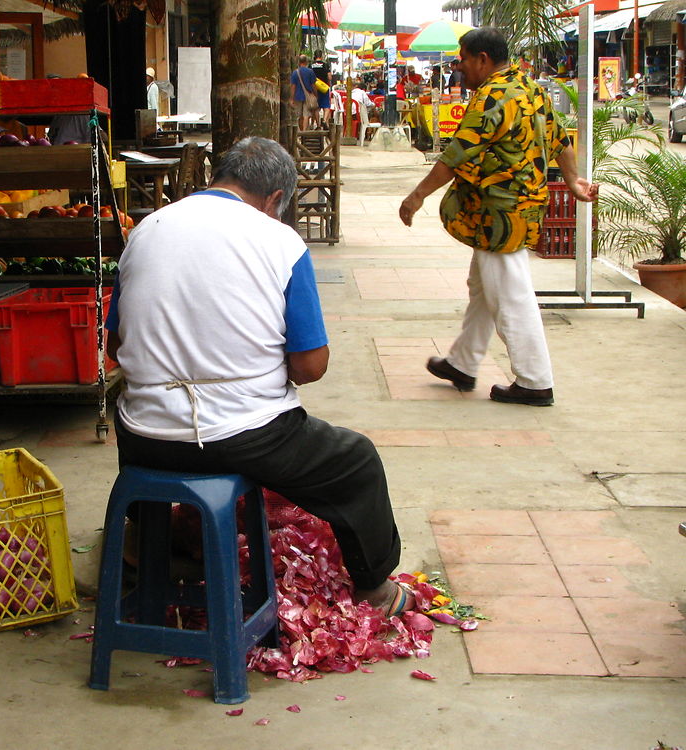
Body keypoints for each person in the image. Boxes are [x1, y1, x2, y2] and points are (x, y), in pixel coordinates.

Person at [105, 136, 414, 617]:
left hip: (145, 436)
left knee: (144, 422)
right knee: (357, 461)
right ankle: (375, 587)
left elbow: (116, 350)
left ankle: (142, 548)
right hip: (243, 436)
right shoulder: (280, 240)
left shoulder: (146, 229)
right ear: (274, 200)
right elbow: (311, 367)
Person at [399, 27, 599, 407]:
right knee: (483, 286)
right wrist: (572, 180)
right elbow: (560, 139)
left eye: (462, 59)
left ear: (482, 60)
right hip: (521, 208)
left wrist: (417, 195)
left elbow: (457, 154)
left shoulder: (492, 96)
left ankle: (534, 380)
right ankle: (462, 362)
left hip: (498, 213)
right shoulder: (531, 88)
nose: (460, 68)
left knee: (510, 293)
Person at [290, 55, 320, 130]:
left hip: (298, 96)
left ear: (299, 62)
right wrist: (316, 95)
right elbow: (313, 85)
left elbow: (293, 87)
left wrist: (291, 98)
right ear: (306, 62)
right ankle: (304, 132)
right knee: (306, 115)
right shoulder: (310, 72)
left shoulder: (295, 73)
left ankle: (300, 133)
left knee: (300, 116)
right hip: (308, 96)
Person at [348, 78, 375, 146]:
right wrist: (373, 104)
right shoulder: (362, 92)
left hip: (349, 113)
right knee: (372, 113)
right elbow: (368, 103)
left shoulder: (349, 93)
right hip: (357, 115)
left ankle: (364, 132)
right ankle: (368, 133)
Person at [310, 51, 332, 126]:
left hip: (313, 88)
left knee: (316, 107)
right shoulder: (325, 65)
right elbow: (329, 77)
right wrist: (328, 83)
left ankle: (318, 124)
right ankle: (325, 120)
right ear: (321, 56)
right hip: (324, 87)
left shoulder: (311, 65)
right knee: (326, 106)